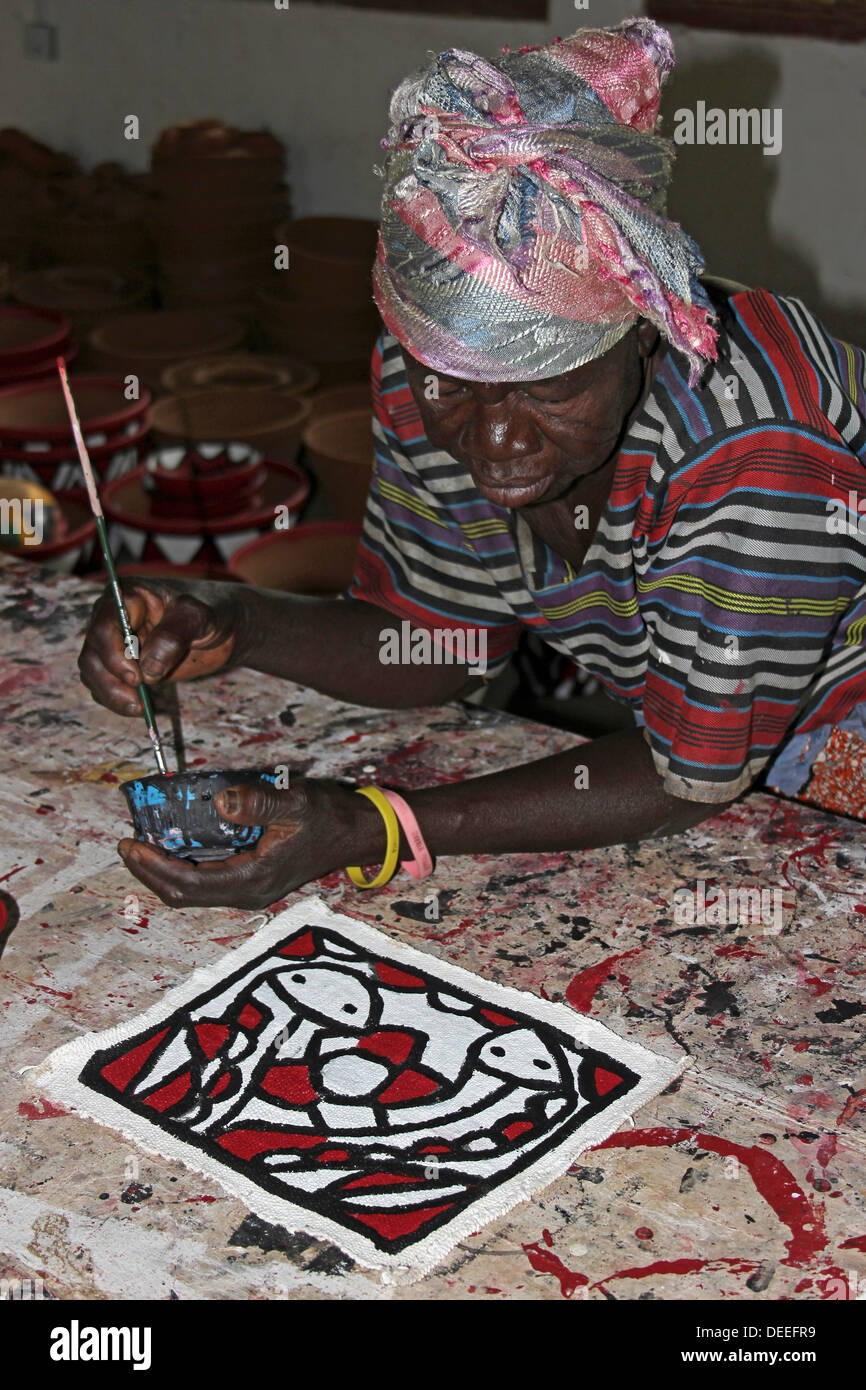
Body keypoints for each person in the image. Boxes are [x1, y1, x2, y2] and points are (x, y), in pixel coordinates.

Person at [78, 19, 866, 910]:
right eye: (447, 384)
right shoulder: (425, 382)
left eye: (549, 390)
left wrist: (371, 827)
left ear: (639, 335)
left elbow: (686, 774)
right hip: (714, 761)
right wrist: (232, 620)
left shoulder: (755, 446)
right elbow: (434, 645)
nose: (492, 440)